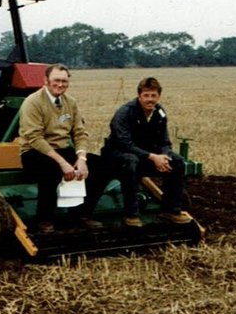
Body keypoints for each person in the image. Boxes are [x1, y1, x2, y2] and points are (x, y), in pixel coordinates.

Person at [18, 63, 107, 234]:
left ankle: (82, 214)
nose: (60, 85)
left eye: (64, 81)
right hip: (35, 152)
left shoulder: (70, 102)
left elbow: (80, 133)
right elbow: (35, 138)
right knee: (51, 170)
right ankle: (45, 219)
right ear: (46, 81)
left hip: (63, 150)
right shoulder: (33, 102)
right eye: (56, 80)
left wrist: (82, 159)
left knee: (102, 166)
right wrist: (63, 163)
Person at [102, 77, 192, 227]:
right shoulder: (124, 113)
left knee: (176, 162)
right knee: (131, 162)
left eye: (153, 95)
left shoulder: (160, 112)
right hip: (118, 155)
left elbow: (164, 141)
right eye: (146, 95)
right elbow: (125, 143)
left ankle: (171, 211)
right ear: (139, 96)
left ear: (159, 96)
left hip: (146, 155)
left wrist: (164, 156)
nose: (150, 99)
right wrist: (152, 157)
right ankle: (131, 215)